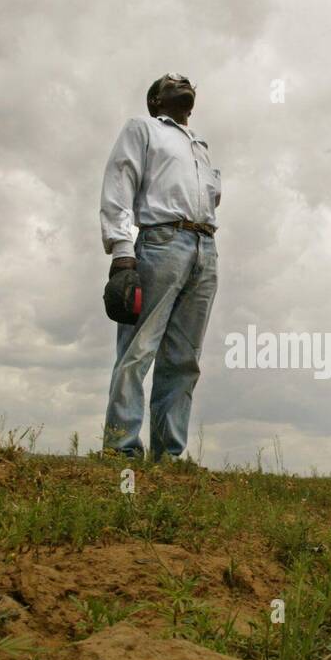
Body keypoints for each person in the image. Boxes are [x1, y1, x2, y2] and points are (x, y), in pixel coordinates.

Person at [98, 73, 221, 461]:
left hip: (205, 247)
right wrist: (122, 251)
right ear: (155, 100)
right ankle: (121, 449)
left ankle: (168, 457)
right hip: (160, 241)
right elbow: (120, 183)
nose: (183, 82)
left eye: (187, 81)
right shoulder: (143, 128)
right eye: (172, 81)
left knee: (184, 359)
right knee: (138, 350)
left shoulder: (200, 145)